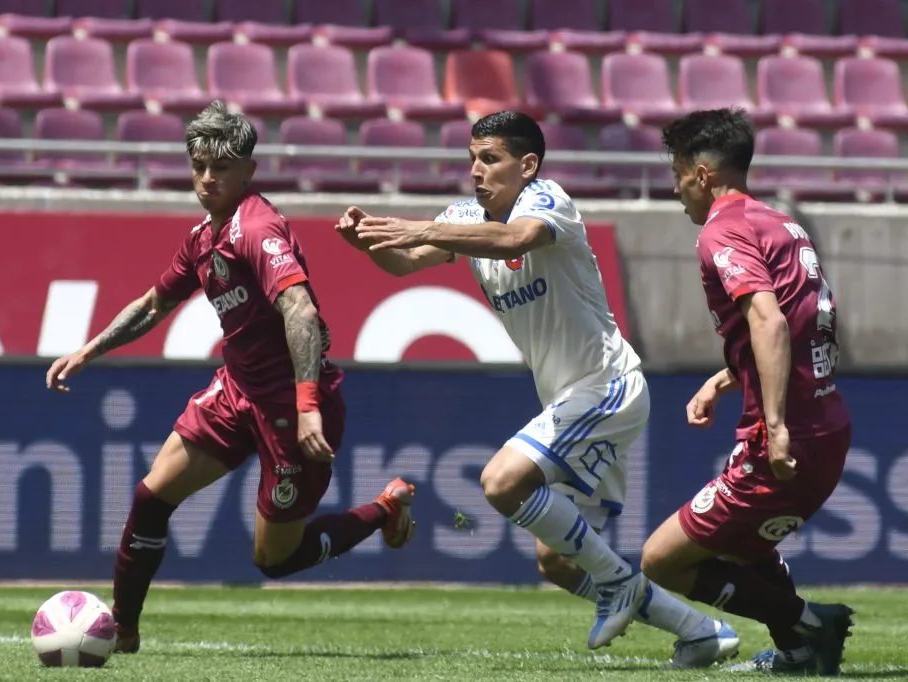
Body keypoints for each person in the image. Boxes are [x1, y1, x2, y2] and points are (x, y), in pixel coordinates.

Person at [335, 110, 738, 665]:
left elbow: (514, 239)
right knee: (557, 561)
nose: (477, 170)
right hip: (568, 399)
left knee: (501, 482)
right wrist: (367, 242)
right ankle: (698, 631)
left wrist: (420, 226)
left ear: (527, 165)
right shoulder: (462, 216)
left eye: (491, 159)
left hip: (607, 385)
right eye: (472, 158)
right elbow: (403, 263)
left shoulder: (547, 200)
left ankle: (622, 585)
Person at [44, 100, 415, 653]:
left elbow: (301, 311)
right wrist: (90, 348)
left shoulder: (257, 229)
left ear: (248, 171)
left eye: (221, 167)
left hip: (290, 407)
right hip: (235, 392)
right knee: (151, 496)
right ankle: (121, 631)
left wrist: (308, 403)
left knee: (274, 559)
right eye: (199, 166)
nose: (208, 178)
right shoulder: (201, 237)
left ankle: (384, 509)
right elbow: (153, 305)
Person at [641, 107, 854, 676]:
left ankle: (811, 623)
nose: (677, 188)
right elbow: (802, 321)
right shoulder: (782, 223)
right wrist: (725, 377)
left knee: (660, 560)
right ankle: (801, 652)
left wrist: (777, 426)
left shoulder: (721, 230)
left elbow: (769, 320)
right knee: (743, 549)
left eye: (678, 174)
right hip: (827, 422)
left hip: (784, 435)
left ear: (703, 175)